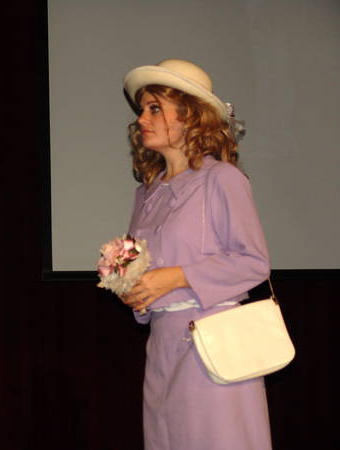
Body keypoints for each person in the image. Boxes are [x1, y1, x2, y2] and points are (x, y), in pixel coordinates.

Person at [119, 59, 272, 450]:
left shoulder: (222, 179)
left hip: (213, 345)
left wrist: (176, 276)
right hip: (161, 347)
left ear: (190, 116)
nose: (142, 119)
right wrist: (135, 291)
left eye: (155, 108)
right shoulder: (146, 194)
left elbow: (253, 263)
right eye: (142, 109)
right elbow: (146, 273)